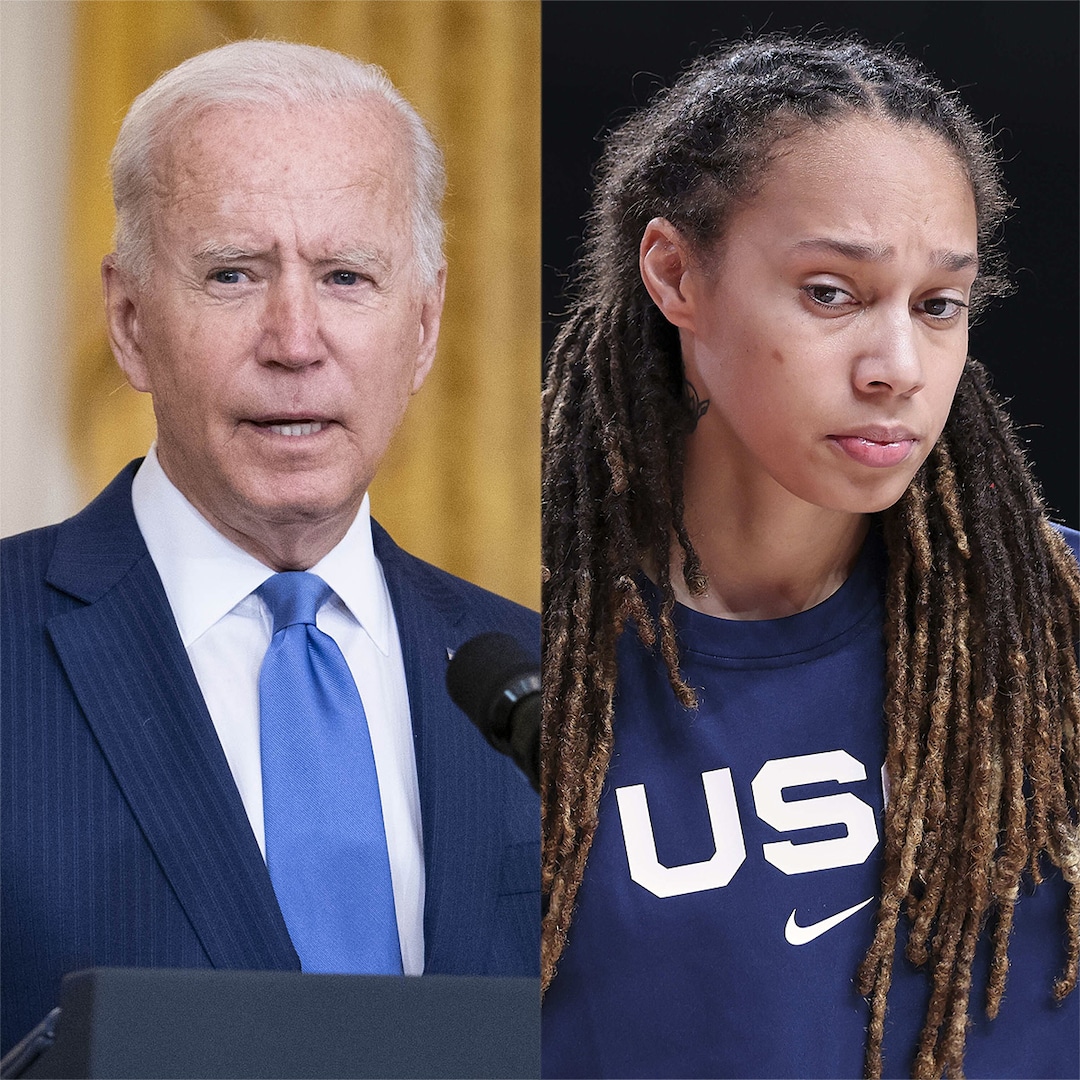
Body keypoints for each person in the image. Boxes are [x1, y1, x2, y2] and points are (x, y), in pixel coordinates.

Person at [540, 35, 1079, 1080]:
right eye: (831, 292)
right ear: (675, 274)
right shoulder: (512, 663)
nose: (897, 370)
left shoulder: (1056, 633)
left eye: (938, 307)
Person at [0, 40, 538, 1054]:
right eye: (233, 274)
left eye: (346, 276)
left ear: (422, 327)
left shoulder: (551, 686)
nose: (295, 339)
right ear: (128, 321)